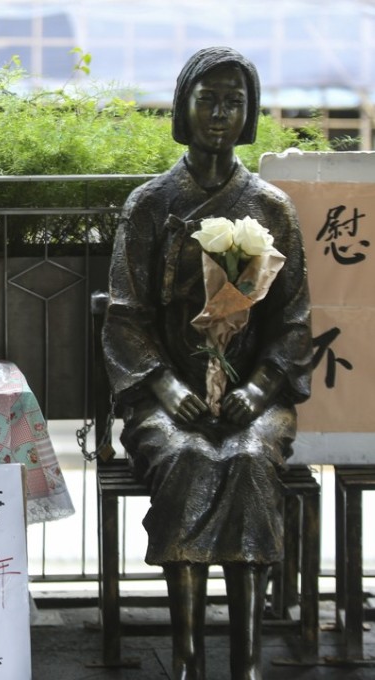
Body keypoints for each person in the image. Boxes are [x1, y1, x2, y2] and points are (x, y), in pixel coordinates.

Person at [102, 47, 312, 679]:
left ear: (249, 113)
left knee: (248, 458)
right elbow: (124, 318)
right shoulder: (149, 204)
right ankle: (189, 657)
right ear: (183, 106)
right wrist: (166, 388)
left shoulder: (272, 206)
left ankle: (246, 660)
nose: (221, 114)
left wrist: (260, 388)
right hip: (168, 397)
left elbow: (293, 321)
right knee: (189, 455)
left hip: (252, 397)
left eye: (234, 102)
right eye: (209, 99)